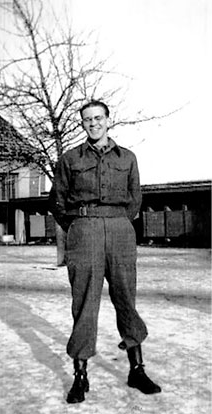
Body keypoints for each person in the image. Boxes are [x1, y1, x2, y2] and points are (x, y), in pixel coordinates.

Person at [50, 101, 161, 403]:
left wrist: (118, 222)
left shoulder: (128, 158)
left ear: (108, 121)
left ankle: (136, 369)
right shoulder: (70, 158)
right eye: (87, 120)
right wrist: (79, 225)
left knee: (126, 297)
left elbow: (135, 199)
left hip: (120, 230)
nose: (93, 124)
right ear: (83, 124)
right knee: (85, 302)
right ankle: (80, 377)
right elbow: (58, 201)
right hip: (84, 231)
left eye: (99, 118)